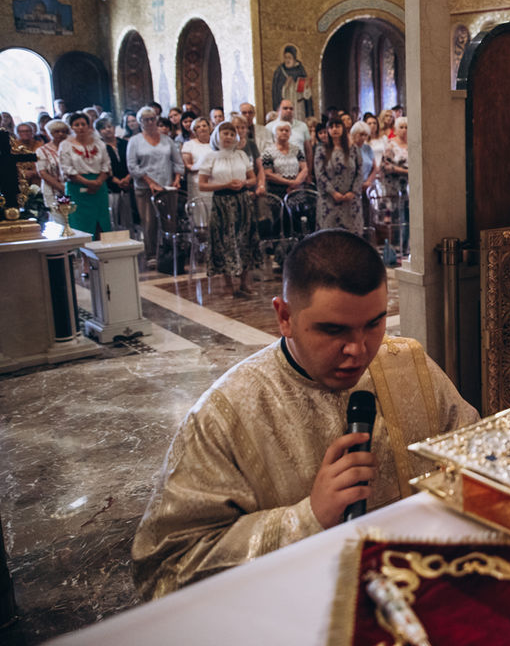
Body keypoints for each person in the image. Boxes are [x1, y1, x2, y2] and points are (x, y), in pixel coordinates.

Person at [131, 229, 478, 598]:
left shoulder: (408, 364)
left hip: (426, 591)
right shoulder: (225, 414)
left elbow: (476, 459)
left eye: (374, 324)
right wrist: (308, 517)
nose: (358, 350)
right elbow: (164, 570)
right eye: (333, 329)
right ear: (284, 316)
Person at [197, 122, 257, 298]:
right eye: (225, 133)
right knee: (225, 241)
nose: (229, 137)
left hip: (242, 201)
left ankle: (245, 282)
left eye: (232, 133)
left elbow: (252, 179)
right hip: (222, 202)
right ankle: (228, 284)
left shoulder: (241, 155)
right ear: (218, 136)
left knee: (244, 239)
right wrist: (226, 184)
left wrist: (243, 183)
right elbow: (202, 184)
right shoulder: (211, 157)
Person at [127, 106, 184, 258]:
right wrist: (149, 182)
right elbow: (132, 166)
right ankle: (151, 254)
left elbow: (178, 162)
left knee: (169, 221)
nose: (150, 122)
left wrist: (177, 179)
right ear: (140, 122)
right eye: (146, 120)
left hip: (166, 187)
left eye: (152, 119)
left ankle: (170, 253)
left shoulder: (167, 140)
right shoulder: (135, 141)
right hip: (145, 188)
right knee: (149, 222)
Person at [59, 113, 112, 236]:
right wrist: (88, 183)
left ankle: (102, 251)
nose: (81, 127)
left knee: (101, 220)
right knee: (80, 222)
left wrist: (98, 182)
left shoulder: (99, 143)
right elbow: (67, 168)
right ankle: (82, 253)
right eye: (76, 125)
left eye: (83, 124)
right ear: (71, 127)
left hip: (99, 185)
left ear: (89, 126)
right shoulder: (66, 145)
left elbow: (106, 165)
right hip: (77, 186)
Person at [314, 115, 362, 232]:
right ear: (328, 130)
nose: (335, 129)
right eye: (331, 127)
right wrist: (333, 193)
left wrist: (353, 191)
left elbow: (359, 172)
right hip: (329, 201)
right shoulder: (321, 150)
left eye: (338, 126)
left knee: (352, 238)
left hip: (350, 200)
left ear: (343, 129)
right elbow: (319, 175)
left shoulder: (353, 149)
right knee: (330, 238)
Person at [97, 116, 135, 232]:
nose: (107, 130)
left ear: (114, 128)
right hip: (110, 186)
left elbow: (133, 161)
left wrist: (128, 178)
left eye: (109, 127)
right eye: (103, 128)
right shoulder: (99, 147)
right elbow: (100, 166)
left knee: (129, 219)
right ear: (99, 131)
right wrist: (116, 181)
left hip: (129, 184)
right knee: (112, 218)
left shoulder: (124, 143)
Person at [377, 117, 408, 253]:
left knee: (407, 216)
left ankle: (406, 247)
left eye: (406, 127)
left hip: (409, 186)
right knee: (396, 217)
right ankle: (394, 249)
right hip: (393, 186)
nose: (404, 130)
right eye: (401, 127)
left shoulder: (413, 143)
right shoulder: (390, 145)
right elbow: (386, 166)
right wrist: (405, 171)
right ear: (395, 129)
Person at [261, 120, 307, 198]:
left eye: (287, 130)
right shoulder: (268, 152)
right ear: (275, 133)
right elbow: (268, 174)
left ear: (290, 133)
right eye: (281, 130)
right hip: (276, 193)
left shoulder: (296, 150)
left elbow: (305, 168)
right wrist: (289, 182)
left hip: (296, 189)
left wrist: (296, 183)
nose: (284, 132)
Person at [36, 120, 69, 224]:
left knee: (70, 216)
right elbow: (42, 173)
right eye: (57, 131)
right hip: (53, 189)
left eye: (63, 131)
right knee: (59, 218)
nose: (61, 134)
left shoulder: (70, 147)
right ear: (50, 133)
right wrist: (61, 187)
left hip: (70, 187)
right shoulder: (42, 150)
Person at [180, 117, 213, 209]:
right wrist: (202, 168)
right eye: (198, 127)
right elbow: (188, 165)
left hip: (214, 180)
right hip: (197, 180)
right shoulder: (189, 145)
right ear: (194, 130)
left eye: (204, 126)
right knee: (200, 210)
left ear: (209, 128)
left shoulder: (216, 144)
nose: (202, 128)